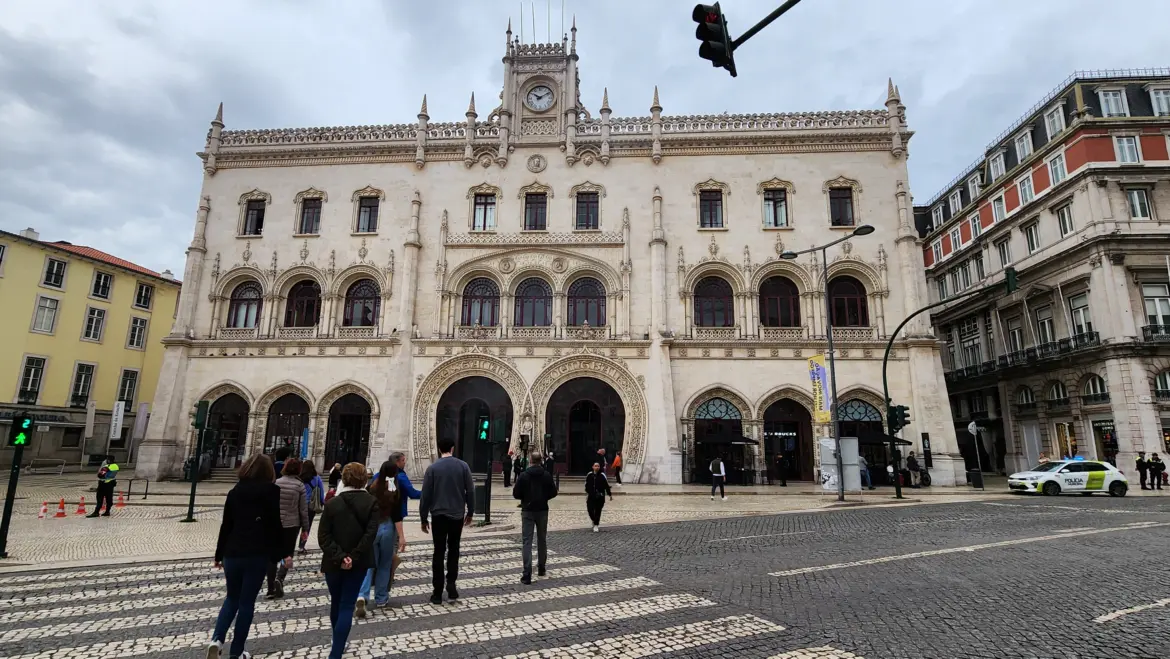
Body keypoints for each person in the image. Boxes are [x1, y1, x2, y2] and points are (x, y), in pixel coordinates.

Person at [207, 454, 287, 659]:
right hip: (256, 554)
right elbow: (274, 525)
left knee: (231, 598)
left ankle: (216, 639)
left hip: (232, 553)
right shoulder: (271, 491)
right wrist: (282, 554)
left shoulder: (235, 491)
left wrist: (219, 554)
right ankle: (237, 652)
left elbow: (227, 525)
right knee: (246, 603)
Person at [318, 462, 379, 659]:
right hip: (358, 563)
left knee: (336, 603)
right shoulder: (371, 502)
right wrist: (352, 556)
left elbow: (323, 536)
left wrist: (339, 556)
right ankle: (336, 652)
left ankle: (337, 646)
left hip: (333, 564)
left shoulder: (332, 503)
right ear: (364, 479)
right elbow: (370, 535)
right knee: (346, 605)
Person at [419, 436, 474, 605]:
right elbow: (470, 491)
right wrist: (470, 511)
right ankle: (451, 585)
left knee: (438, 551)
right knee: (454, 550)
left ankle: (437, 592)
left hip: (438, 515)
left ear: (439, 448)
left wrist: (423, 517)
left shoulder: (432, 468)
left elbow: (426, 495)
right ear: (452, 448)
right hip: (456, 515)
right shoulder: (463, 466)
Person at [356, 461, 406, 617]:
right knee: (385, 564)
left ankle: (363, 595)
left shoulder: (372, 487)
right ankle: (381, 598)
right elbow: (397, 515)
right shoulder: (393, 488)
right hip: (388, 527)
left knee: (369, 564)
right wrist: (402, 536)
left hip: (373, 527)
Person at [514, 450, 558, 583]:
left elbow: (516, 494)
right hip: (542, 509)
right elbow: (554, 492)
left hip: (527, 509)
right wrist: (544, 498)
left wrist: (525, 498)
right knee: (542, 539)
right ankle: (541, 567)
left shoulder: (523, 475)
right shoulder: (546, 475)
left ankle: (527, 573)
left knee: (527, 541)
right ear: (541, 461)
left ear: (530, 461)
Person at [267, 458, 308, 599]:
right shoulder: (299, 486)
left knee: (272, 555)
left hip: (274, 524)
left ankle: (270, 587)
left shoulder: (276, 483)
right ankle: (280, 578)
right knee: (288, 553)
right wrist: (305, 529)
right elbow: (303, 510)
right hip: (292, 524)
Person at [299, 461, 326, 553]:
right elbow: (321, 492)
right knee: (307, 526)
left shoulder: (299, 478)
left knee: (297, 525)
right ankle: (301, 546)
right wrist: (322, 502)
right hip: (311, 505)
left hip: (299, 504)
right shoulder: (317, 478)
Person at [584, 461, 613, 532]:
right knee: (590, 509)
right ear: (593, 467)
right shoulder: (589, 475)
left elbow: (606, 485)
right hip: (591, 496)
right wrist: (588, 491)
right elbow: (586, 484)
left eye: (598, 466)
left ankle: (596, 524)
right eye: (595, 466)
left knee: (598, 510)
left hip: (600, 496)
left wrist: (609, 494)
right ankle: (594, 520)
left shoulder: (602, 475)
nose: (597, 467)